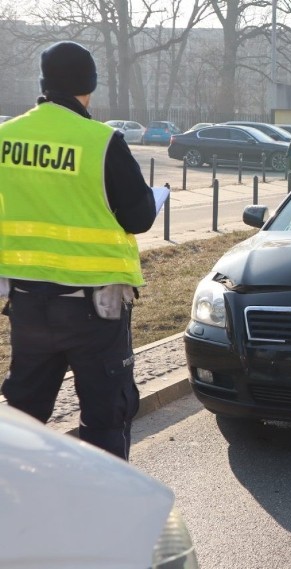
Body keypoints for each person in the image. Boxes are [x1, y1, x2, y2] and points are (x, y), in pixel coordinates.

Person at [0, 41, 156, 461]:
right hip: (95, 309)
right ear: (90, 85)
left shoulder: (5, 138)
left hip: (28, 304)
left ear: (43, 83)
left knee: (23, 419)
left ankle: (13, 510)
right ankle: (102, 517)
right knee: (105, 418)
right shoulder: (101, 141)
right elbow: (139, 218)